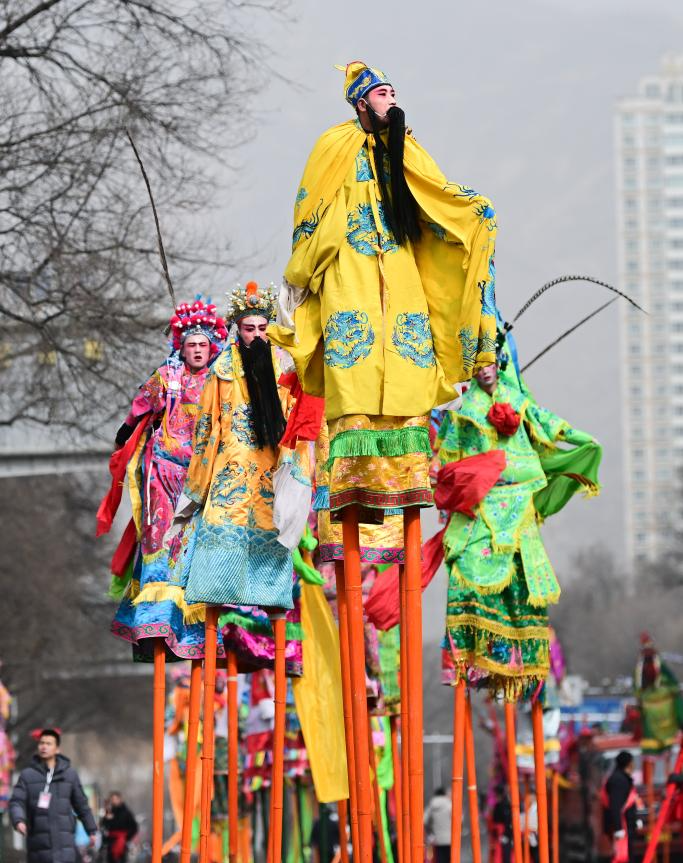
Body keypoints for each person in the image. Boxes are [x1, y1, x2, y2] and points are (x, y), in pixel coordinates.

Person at [269, 60, 498, 523]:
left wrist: (474, 213)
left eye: (393, 92)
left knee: (407, 360)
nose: (391, 98)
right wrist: (305, 269)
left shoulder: (405, 145)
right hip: (348, 269)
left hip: (399, 267)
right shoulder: (334, 145)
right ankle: (353, 480)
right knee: (354, 364)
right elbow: (310, 210)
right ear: (361, 103)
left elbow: (436, 195)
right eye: (382, 93)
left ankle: (406, 476)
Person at [439, 339, 601, 701]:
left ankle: (520, 662)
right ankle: (477, 658)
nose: (484, 371)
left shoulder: (518, 400)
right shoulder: (463, 410)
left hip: (519, 503)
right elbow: (447, 457)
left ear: (499, 364)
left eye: (489, 363)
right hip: (481, 505)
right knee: (466, 576)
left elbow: (549, 423)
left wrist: (584, 440)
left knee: (523, 584)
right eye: (478, 365)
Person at [169, 281, 314, 610]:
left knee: (272, 533)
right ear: (238, 330)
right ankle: (213, 608)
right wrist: (198, 483)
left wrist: (296, 472)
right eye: (249, 329)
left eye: (263, 328)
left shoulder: (285, 366)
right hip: (229, 471)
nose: (257, 335)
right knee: (221, 534)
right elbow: (206, 428)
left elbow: (298, 421)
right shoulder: (221, 370)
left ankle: (273, 607)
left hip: (272, 468)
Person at [103, 296, 228, 660]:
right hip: (164, 472)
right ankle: (153, 618)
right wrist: (125, 436)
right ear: (181, 347)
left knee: (192, 547)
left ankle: (193, 622)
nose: (198, 351)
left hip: (201, 479)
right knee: (159, 541)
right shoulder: (168, 376)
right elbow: (138, 411)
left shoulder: (221, 380)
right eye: (191, 345)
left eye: (203, 344)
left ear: (212, 346)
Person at [9, 728, 97, 863]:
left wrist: (91, 830)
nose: (44, 746)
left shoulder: (69, 775)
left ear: (57, 748)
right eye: (41, 743)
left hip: (64, 835)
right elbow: (16, 801)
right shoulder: (28, 775)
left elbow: (82, 805)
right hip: (38, 836)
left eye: (48, 743)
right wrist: (19, 821)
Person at [604, 751, 639, 863]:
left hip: (625, 825)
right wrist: (618, 828)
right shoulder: (619, 780)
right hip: (622, 826)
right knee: (623, 858)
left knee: (624, 857)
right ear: (628, 763)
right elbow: (615, 806)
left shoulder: (621, 778)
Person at [100, 791, 138, 863]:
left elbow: (134, 827)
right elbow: (103, 826)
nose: (114, 801)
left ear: (120, 799)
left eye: (116, 799)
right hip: (110, 842)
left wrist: (126, 838)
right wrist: (106, 818)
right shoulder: (108, 811)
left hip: (122, 842)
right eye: (112, 799)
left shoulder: (126, 812)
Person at [424, 786, 452, 863]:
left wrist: (430, 830)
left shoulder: (432, 805)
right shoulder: (449, 804)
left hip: (438, 838)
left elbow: (424, 820)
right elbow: (459, 818)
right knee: (450, 860)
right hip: (450, 837)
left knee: (440, 860)